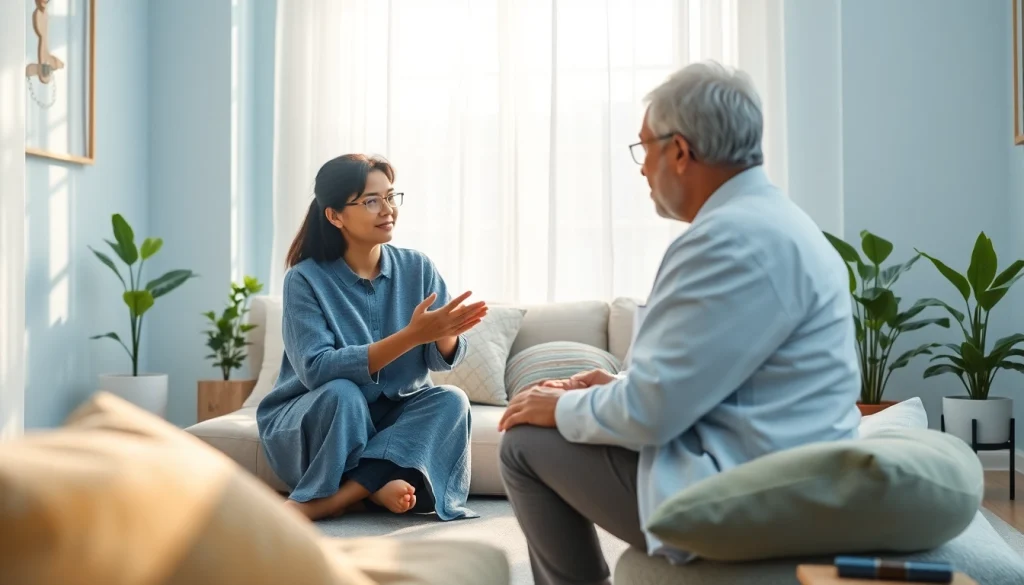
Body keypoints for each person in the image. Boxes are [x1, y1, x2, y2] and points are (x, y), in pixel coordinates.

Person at [497, 61, 862, 585]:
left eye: (643, 148)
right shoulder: (779, 223)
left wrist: (559, 406)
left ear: (680, 151)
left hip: (747, 493)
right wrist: (615, 387)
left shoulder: (726, 241)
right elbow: (711, 379)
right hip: (787, 468)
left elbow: (652, 413)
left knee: (524, 442)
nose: (642, 168)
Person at [257, 154, 488, 522]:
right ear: (335, 216)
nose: (388, 209)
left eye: (391, 197)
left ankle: (344, 497)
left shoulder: (418, 267)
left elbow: (440, 357)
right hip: (322, 414)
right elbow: (317, 369)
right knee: (343, 393)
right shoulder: (304, 279)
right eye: (371, 201)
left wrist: (444, 335)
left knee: (451, 400)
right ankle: (374, 484)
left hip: (390, 416)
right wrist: (411, 336)